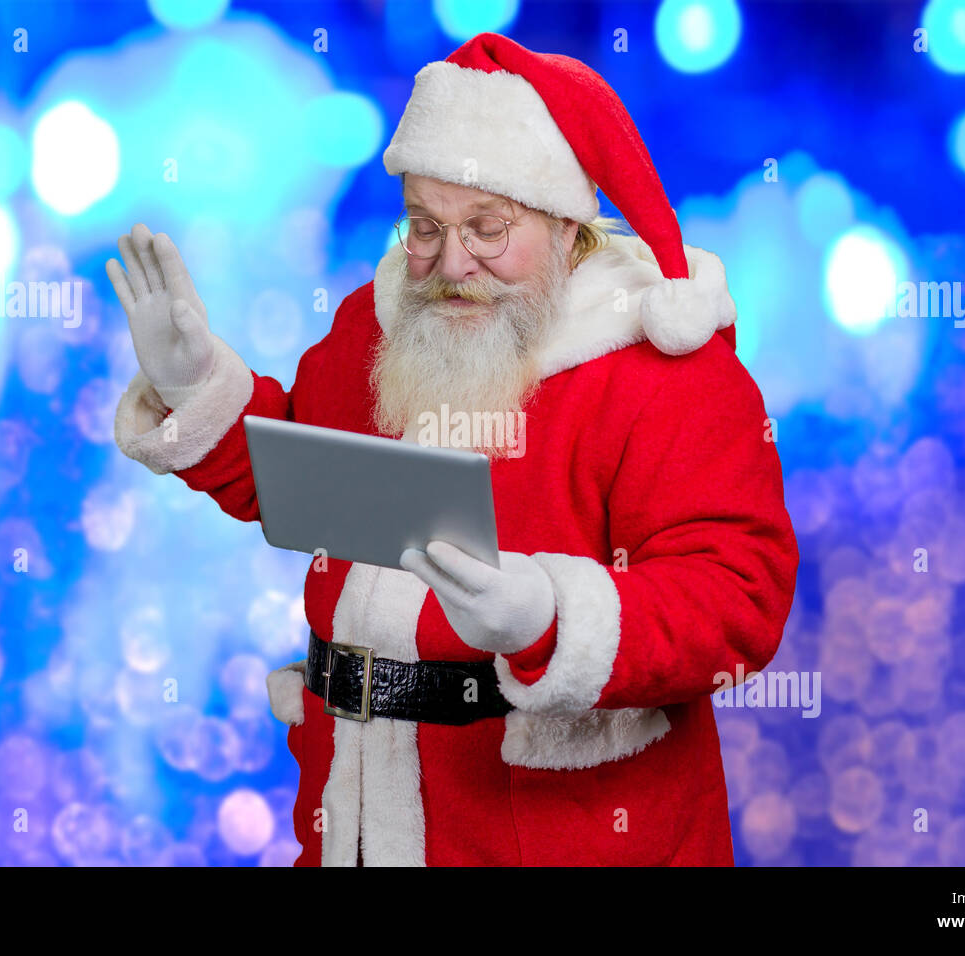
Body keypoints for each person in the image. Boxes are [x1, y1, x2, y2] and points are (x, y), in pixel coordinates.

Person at [108, 32, 799, 866]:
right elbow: (307, 482)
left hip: (555, 837)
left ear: (568, 226)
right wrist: (195, 386)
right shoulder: (381, 323)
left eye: (488, 226)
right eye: (425, 225)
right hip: (355, 818)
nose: (451, 261)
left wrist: (552, 615)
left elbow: (737, 597)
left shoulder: (662, 370)